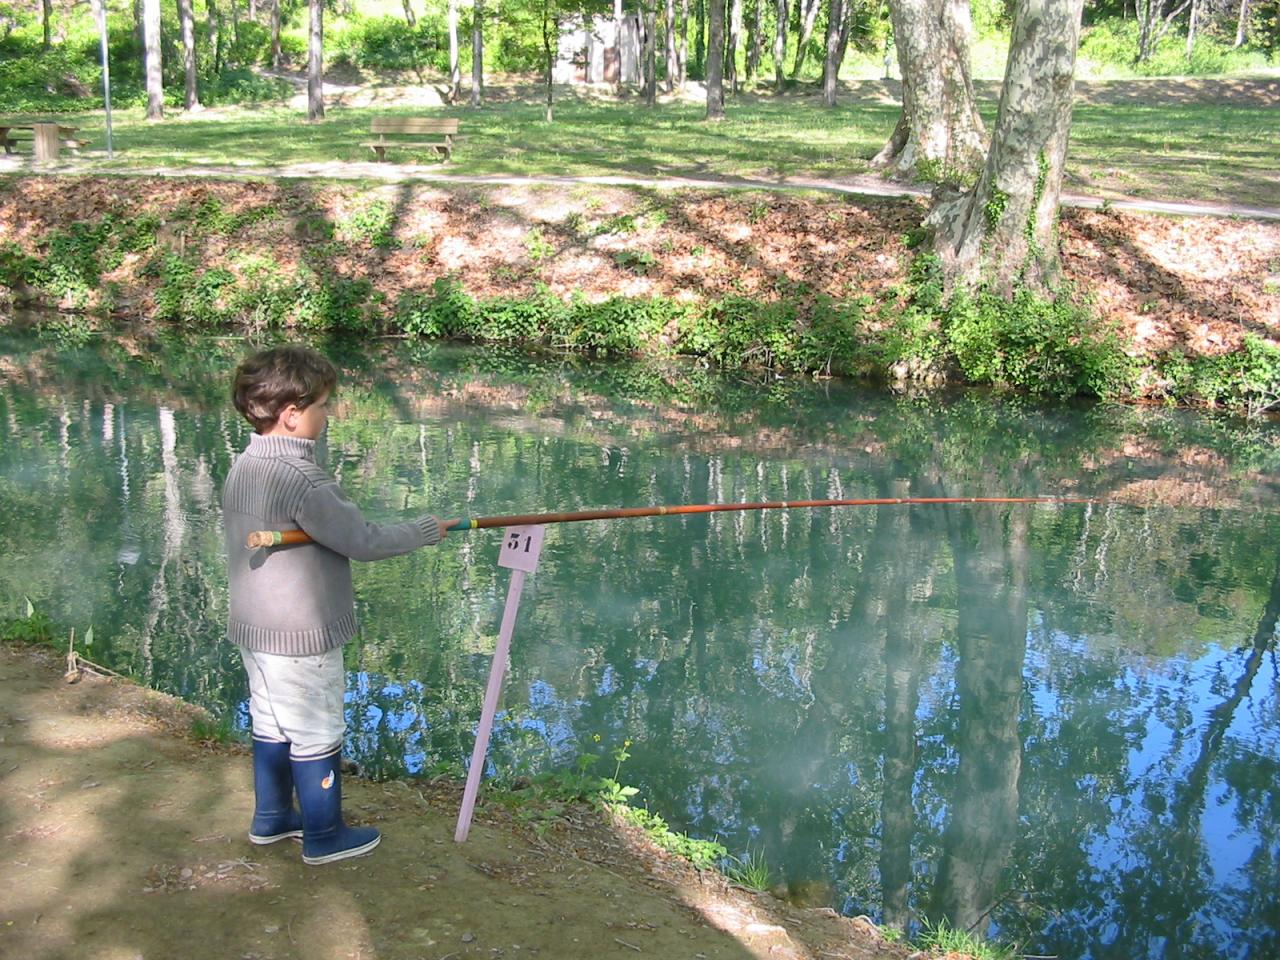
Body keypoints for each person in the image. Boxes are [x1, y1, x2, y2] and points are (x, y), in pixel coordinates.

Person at [223, 344, 448, 866]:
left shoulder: (246, 464)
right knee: (317, 727)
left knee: (272, 720)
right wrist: (422, 530)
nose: (330, 414)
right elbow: (362, 541)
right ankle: (324, 835)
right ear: (292, 414)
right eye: (324, 404)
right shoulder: (303, 479)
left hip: (255, 627)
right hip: (300, 632)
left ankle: (273, 818)